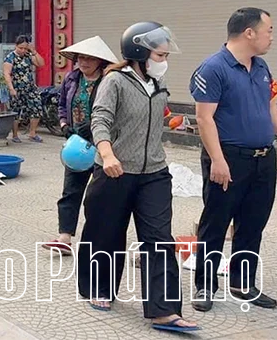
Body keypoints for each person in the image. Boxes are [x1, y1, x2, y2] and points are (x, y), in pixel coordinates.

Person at [76, 22, 199, 333]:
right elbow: (100, 119)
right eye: (160, 54)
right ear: (140, 53)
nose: (164, 59)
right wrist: (107, 155)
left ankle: (165, 311)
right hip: (115, 170)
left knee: (159, 239)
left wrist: (175, 120)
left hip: (154, 173)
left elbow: (156, 117)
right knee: (106, 232)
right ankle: (99, 289)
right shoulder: (114, 81)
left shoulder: (158, 84)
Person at [190, 8, 277, 312]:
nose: (272, 37)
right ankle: (205, 285)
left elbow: (270, 106)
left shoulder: (261, 67)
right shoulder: (213, 68)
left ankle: (242, 283)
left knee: (252, 224)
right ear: (249, 32)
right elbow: (204, 118)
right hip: (229, 158)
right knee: (215, 224)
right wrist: (218, 161)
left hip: (263, 160)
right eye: (269, 30)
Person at [43, 36, 118, 255]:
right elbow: (62, 105)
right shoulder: (72, 79)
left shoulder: (109, 81)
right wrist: (65, 124)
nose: (83, 63)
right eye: (80, 58)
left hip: (103, 144)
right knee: (71, 190)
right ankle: (64, 237)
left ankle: (100, 239)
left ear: (99, 61)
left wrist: (95, 126)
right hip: (76, 143)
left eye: (89, 59)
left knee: (99, 195)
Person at [3, 36, 45, 143]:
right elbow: (6, 74)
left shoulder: (28, 56)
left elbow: (41, 64)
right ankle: (15, 135)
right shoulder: (10, 57)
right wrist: (11, 89)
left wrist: (34, 51)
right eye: (20, 48)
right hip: (17, 88)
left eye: (25, 48)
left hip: (30, 87)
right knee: (16, 112)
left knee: (36, 107)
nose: (23, 50)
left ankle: (32, 133)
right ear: (16, 46)